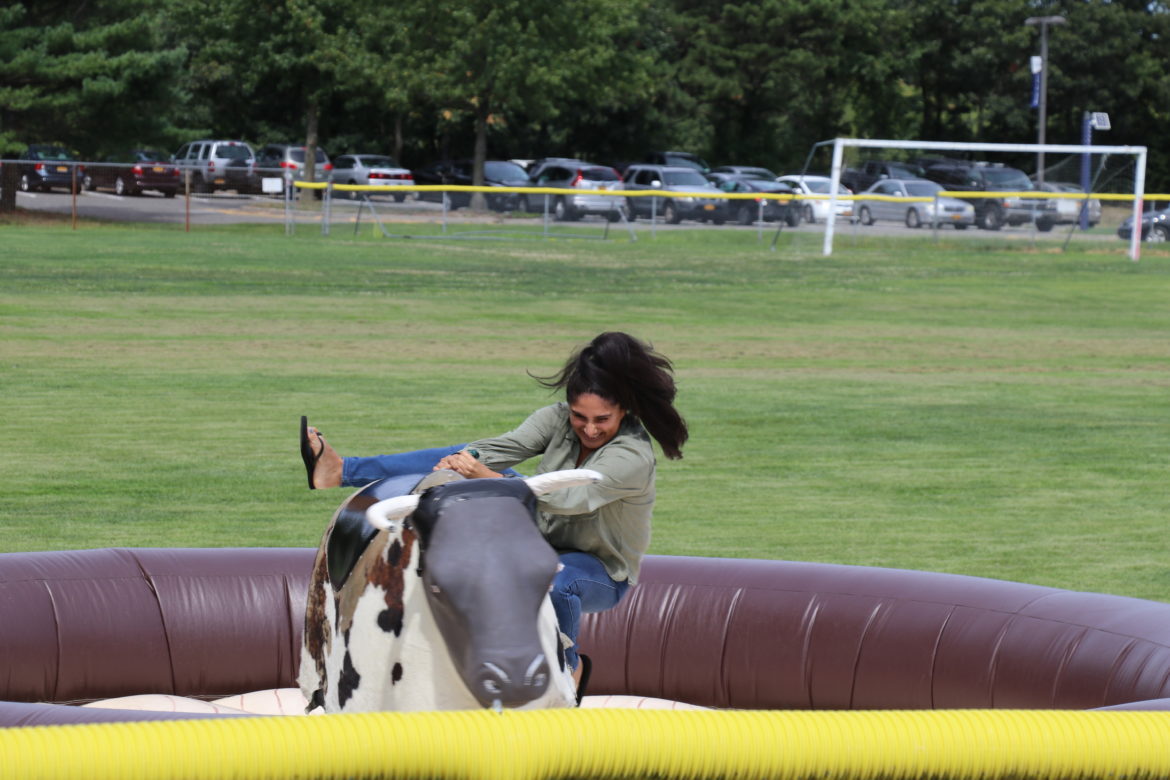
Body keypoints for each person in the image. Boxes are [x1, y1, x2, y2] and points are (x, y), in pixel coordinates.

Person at [299, 331, 688, 678]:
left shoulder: (632, 456)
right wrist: (462, 460)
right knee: (463, 463)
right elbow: (498, 450)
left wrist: (481, 474)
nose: (588, 429)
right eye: (579, 416)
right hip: (536, 536)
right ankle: (339, 471)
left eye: (602, 419)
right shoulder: (555, 420)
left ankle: (566, 671)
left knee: (557, 578)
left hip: (599, 570)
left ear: (624, 410)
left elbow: (568, 499)